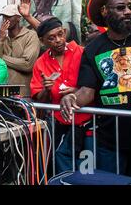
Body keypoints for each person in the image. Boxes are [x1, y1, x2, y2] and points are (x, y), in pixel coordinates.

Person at [60, 0, 131, 184]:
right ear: (105, 11)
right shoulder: (93, 49)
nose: (128, 12)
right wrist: (71, 98)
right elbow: (87, 91)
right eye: (120, 7)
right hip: (111, 141)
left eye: (130, 7)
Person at [30, 17, 92, 174]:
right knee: (61, 158)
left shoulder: (82, 52)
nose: (58, 40)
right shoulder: (41, 63)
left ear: (64, 32)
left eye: (60, 34)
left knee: (88, 165)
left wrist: (77, 91)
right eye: (51, 38)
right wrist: (46, 89)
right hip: (61, 123)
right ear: (43, 42)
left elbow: (93, 86)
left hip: (87, 121)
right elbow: (40, 98)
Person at [0, 4, 40, 96]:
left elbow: (27, 65)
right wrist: (1, 39)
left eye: (9, 16)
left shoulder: (31, 36)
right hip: (3, 94)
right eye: (4, 17)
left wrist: (2, 58)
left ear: (18, 18)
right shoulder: (2, 38)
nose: (5, 19)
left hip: (23, 94)